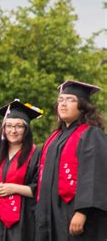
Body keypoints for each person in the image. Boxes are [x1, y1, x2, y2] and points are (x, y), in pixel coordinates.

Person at [36, 80, 107, 240]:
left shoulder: (91, 135)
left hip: (76, 214)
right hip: (51, 213)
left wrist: (82, 212)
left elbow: (95, 174)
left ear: (83, 106)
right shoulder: (53, 139)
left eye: (71, 100)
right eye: (61, 100)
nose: (63, 104)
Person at [0, 99, 42, 240]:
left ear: (26, 130)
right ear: (3, 129)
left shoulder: (36, 155)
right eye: (8, 126)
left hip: (25, 220)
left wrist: (14, 188)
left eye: (19, 126)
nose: (13, 131)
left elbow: (42, 187)